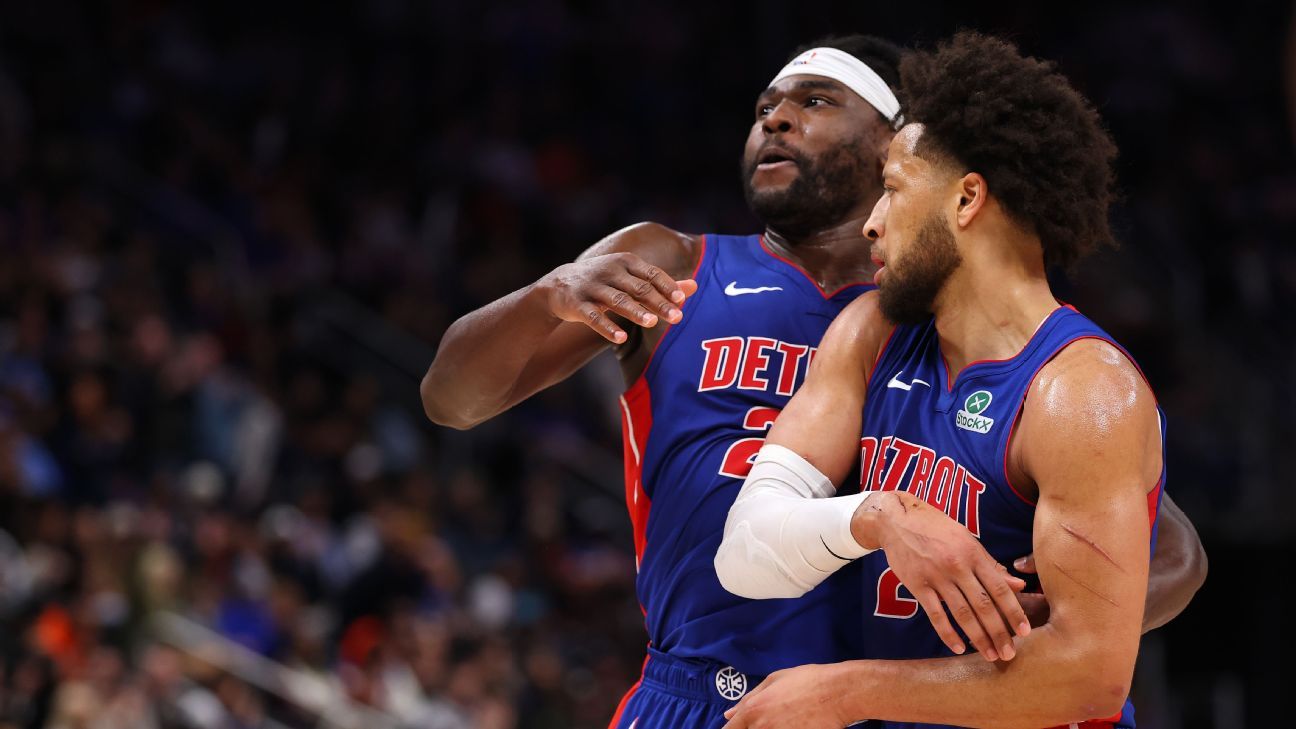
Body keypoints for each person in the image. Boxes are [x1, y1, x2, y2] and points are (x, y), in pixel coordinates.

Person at [422, 35, 1204, 729]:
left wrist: (1055, 624)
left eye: (816, 100)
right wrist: (547, 294)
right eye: (765, 107)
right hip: (703, 685)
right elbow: (451, 399)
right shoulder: (678, 267)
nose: (776, 119)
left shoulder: (964, 330)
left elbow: (1168, 549)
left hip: (892, 697)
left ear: (896, 143)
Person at [718, 32, 1196, 729]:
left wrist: (846, 692)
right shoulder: (872, 333)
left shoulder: (1081, 392)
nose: (872, 224)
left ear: (967, 198)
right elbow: (742, 553)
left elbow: (1088, 674)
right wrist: (881, 515)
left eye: (892, 190)